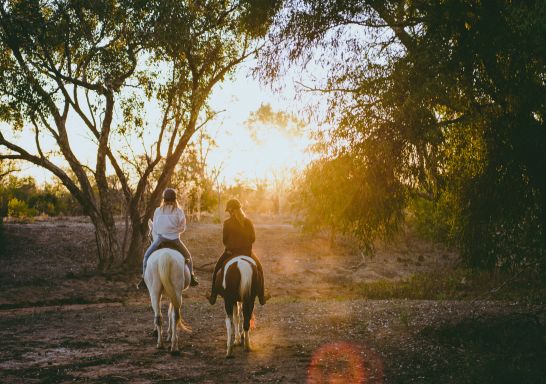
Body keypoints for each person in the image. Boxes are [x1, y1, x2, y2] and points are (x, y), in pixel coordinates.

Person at [208, 198, 265, 305]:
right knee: (260, 269)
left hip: (231, 253)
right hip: (247, 253)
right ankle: (262, 297)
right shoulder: (248, 222)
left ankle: (213, 296)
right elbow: (253, 238)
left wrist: (232, 246)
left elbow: (224, 240)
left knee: (216, 269)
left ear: (230, 210)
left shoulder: (227, 223)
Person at [142, 188, 199, 287]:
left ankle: (143, 279)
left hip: (160, 239)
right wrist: (174, 231)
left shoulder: (158, 211)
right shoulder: (179, 211)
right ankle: (192, 277)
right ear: (174, 199)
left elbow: (155, 227)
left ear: (164, 199)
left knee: (146, 256)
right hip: (175, 240)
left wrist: (163, 231)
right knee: (188, 257)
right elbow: (182, 227)